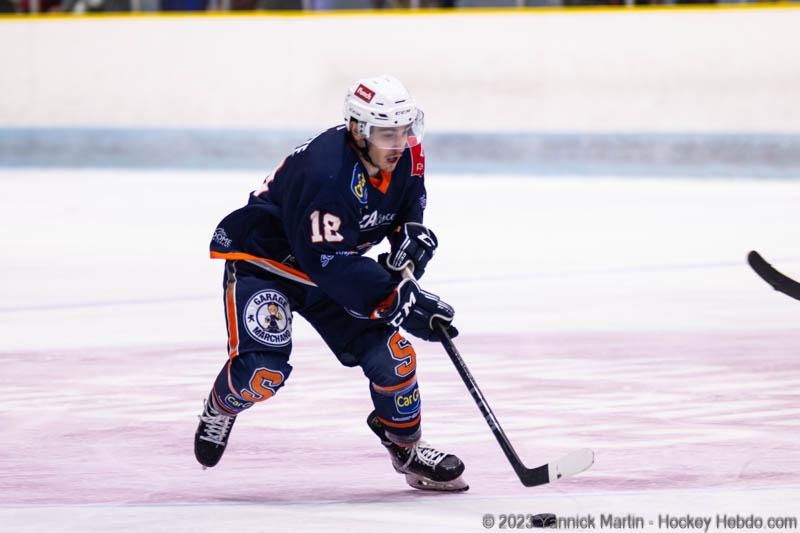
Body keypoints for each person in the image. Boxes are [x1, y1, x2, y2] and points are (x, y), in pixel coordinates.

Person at [194, 75, 467, 492]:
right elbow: (325, 263)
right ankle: (219, 407)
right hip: (267, 264)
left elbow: (407, 202)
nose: (398, 143)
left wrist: (409, 240)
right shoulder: (326, 172)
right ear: (358, 130)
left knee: (393, 359)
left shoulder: (407, 153)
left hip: (331, 266)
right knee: (261, 371)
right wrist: (395, 298)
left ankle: (406, 448)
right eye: (386, 134)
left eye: (404, 129)